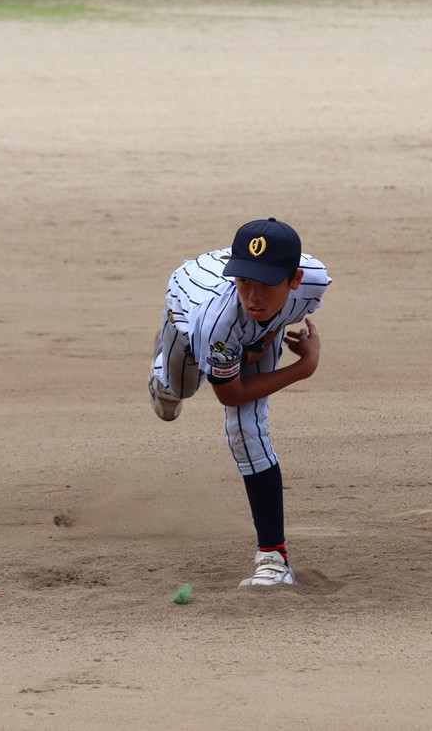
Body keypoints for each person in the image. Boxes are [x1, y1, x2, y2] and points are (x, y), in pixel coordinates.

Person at [147, 218, 331, 588]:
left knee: (245, 429)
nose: (253, 296)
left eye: (265, 283)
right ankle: (168, 366)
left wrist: (265, 337)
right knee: (176, 395)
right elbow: (229, 394)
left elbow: (284, 312)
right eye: (245, 281)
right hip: (190, 305)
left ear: (294, 279)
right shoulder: (217, 318)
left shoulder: (313, 283)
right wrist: (304, 367)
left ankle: (273, 560)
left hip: (230, 329)